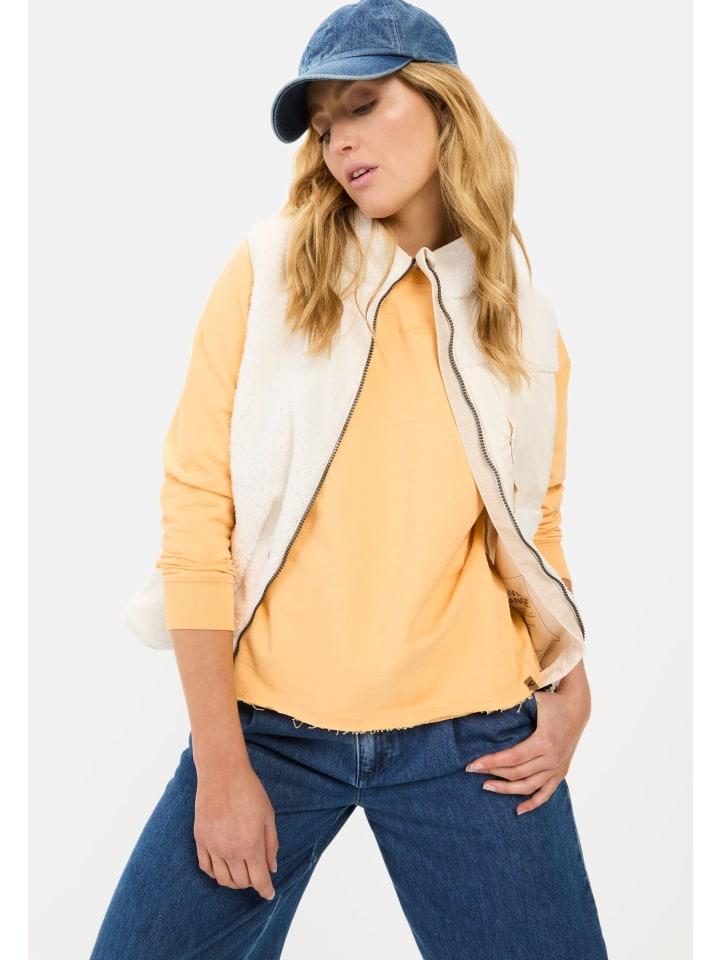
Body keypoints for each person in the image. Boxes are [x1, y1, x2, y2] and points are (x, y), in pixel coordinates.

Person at [89, 1, 609, 957]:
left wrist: (570, 681)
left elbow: (534, 525)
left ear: (446, 106)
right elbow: (198, 516)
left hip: (472, 737)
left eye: (364, 106)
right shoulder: (271, 273)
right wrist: (221, 765)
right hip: (271, 734)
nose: (340, 144)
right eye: (326, 127)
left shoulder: (521, 319)